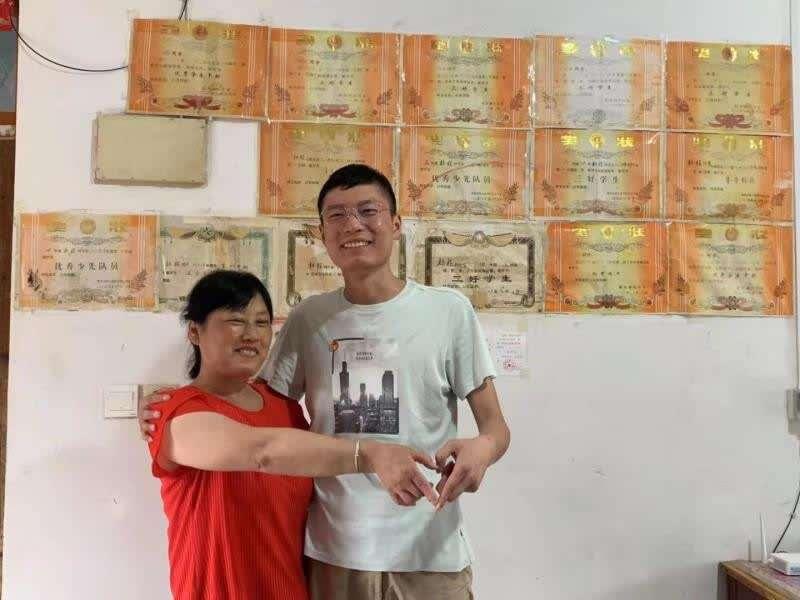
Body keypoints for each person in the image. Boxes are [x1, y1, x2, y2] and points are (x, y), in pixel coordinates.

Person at [262, 164, 511, 599]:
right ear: (322, 234)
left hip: (430, 553)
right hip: (335, 552)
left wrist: (483, 449)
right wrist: (181, 405)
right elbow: (261, 411)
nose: (353, 224)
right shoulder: (308, 318)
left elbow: (496, 427)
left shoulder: (448, 311)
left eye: (367, 210)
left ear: (395, 224)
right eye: (337, 215)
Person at [146, 269, 439, 600]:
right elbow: (262, 451)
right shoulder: (174, 412)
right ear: (194, 331)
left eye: (261, 322)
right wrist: (370, 454)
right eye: (235, 321)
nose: (251, 334)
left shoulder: (285, 410)